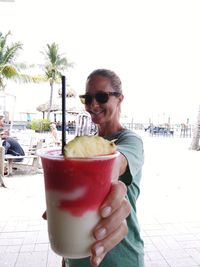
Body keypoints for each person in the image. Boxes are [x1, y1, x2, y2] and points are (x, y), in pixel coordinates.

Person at [63, 69, 144, 267]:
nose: (93, 104)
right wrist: (65, 257)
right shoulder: (81, 145)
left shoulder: (130, 140)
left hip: (120, 255)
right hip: (77, 255)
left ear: (119, 99)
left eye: (101, 96)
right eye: (87, 98)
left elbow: (116, 163)